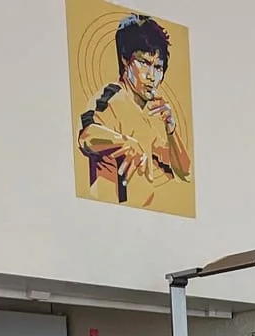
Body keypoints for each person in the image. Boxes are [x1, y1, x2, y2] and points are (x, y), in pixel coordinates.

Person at [77, 14, 191, 208]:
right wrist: (126, 143)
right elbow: (86, 136)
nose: (152, 76)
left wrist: (171, 129)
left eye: (158, 67)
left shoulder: (151, 115)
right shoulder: (112, 97)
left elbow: (184, 172)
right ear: (125, 60)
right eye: (144, 63)